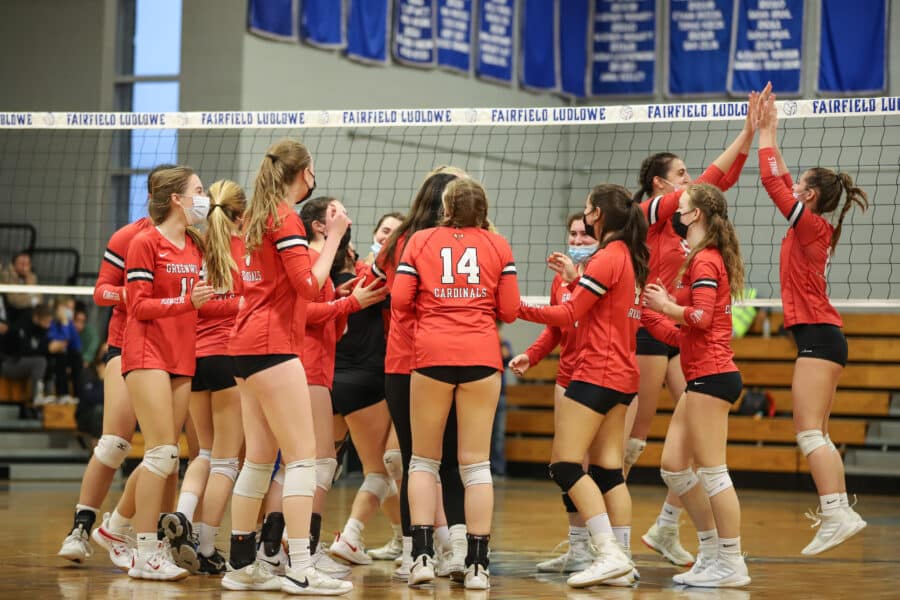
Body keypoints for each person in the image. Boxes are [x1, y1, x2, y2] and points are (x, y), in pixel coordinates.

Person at [627, 88, 761, 566]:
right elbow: (706, 186)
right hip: (651, 326)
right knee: (635, 438)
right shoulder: (646, 216)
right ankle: (606, 536)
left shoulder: (694, 236)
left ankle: (671, 528)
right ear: (661, 184)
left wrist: (748, 133)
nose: (690, 178)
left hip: (681, 328)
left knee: (685, 447)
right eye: (682, 173)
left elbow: (716, 184)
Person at [221, 139, 352, 595]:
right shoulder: (284, 217)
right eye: (312, 169)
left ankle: (241, 566)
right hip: (273, 347)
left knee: (259, 461)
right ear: (302, 173)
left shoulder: (257, 217)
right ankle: (300, 568)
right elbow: (309, 286)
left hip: (245, 346)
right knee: (302, 460)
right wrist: (333, 238)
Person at [518, 184, 647, 588]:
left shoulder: (607, 257)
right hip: (622, 375)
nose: (584, 216)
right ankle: (622, 561)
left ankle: (607, 553)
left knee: (565, 465)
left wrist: (514, 308)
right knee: (609, 471)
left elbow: (569, 313)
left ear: (597, 216)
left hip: (596, 372)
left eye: (588, 210)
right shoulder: (628, 256)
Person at [393, 177, 519, 590]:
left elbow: (400, 299)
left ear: (446, 208)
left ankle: (422, 557)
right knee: (476, 465)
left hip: (432, 353)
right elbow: (510, 310)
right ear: (483, 210)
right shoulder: (498, 245)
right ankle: (478, 566)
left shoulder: (421, 240)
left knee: (423, 461)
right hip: (481, 355)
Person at [757, 90, 868, 555]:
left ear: (811, 196)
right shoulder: (813, 225)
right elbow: (784, 177)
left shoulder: (810, 225)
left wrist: (763, 133)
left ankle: (836, 513)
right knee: (818, 433)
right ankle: (840, 511)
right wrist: (772, 129)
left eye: (800, 185)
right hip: (824, 338)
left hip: (820, 339)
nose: (793, 186)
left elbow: (772, 181)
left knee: (806, 432)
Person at [56, 163, 171, 566]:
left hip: (174, 352)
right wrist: (135, 295)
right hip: (128, 344)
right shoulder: (129, 236)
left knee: (166, 454)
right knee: (116, 442)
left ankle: (139, 532)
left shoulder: (193, 240)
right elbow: (101, 291)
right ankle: (81, 529)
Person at [642, 183, 750, 587]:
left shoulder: (704, 260)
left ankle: (731, 561)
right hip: (701, 376)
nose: (676, 211)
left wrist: (667, 306)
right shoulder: (702, 258)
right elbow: (683, 335)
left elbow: (701, 319)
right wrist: (647, 313)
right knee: (674, 466)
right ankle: (709, 553)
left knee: (713, 473)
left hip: (713, 376)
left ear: (696, 215)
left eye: (682, 206)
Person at [369, 168, 470, 581]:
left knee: (414, 460)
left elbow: (377, 285)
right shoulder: (464, 241)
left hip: (402, 361)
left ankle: (416, 553)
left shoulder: (398, 241)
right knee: (452, 460)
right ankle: (459, 552)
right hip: (448, 358)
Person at [120, 165, 214, 581]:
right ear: (177, 198)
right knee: (160, 452)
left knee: (169, 457)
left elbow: (204, 301)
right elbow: (138, 306)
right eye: (199, 190)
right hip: (146, 352)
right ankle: (144, 552)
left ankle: (123, 530)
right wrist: (186, 303)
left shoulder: (195, 245)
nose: (204, 197)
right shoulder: (145, 243)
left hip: (181, 356)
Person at [292, 196, 387, 579]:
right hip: (313, 369)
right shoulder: (312, 258)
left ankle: (279, 548)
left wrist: (341, 296)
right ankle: (304, 550)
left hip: (321, 371)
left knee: (305, 464)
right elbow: (303, 313)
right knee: (316, 464)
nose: (345, 214)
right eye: (336, 211)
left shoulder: (324, 265)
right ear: (320, 225)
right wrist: (350, 303)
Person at [509, 213, 600, 574]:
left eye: (584, 235)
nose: (576, 241)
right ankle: (579, 549)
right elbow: (556, 327)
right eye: (573, 234)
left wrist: (576, 280)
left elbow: (598, 317)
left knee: (600, 466)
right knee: (567, 464)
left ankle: (607, 547)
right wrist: (531, 356)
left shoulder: (606, 272)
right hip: (567, 377)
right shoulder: (559, 279)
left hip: (598, 378)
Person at [176, 179, 247, 575]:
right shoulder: (245, 250)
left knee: (204, 453)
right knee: (226, 461)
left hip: (194, 358)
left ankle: (183, 515)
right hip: (227, 357)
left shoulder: (195, 249)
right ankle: (204, 547)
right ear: (242, 215)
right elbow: (248, 302)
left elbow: (195, 305)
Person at [1, 304, 54, 412]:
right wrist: (45, 348)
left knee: (51, 360)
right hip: (9, 364)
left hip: (24, 363)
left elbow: (39, 348)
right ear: (37, 317)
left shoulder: (43, 329)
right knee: (40, 361)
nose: (48, 325)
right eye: (46, 321)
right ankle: (36, 396)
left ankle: (51, 399)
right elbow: (23, 351)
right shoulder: (21, 327)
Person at [45, 295, 82, 404]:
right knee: (61, 356)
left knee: (76, 356)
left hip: (67, 354)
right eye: (67, 308)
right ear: (58, 308)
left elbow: (76, 344)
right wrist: (64, 324)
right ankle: (63, 394)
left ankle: (78, 395)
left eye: (72, 309)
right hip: (52, 355)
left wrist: (66, 323)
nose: (70, 311)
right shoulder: (51, 322)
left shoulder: (69, 323)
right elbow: (61, 342)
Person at [1, 251, 42, 325]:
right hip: (11, 317)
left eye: (27, 264)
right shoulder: (7, 276)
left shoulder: (32, 277)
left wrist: (29, 285)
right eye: (22, 264)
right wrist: (32, 298)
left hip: (29, 318)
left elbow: (39, 300)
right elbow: (14, 301)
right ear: (13, 265)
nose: (25, 267)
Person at [73, 301, 100, 369]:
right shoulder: (67, 330)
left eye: (82, 322)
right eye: (77, 320)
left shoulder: (90, 332)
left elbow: (94, 343)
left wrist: (87, 359)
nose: (79, 325)